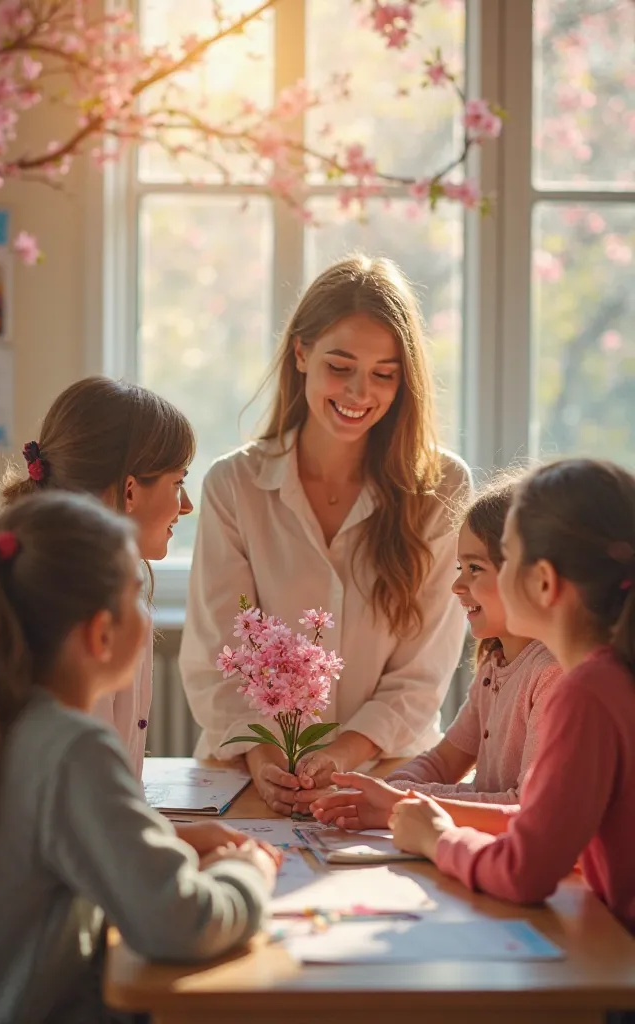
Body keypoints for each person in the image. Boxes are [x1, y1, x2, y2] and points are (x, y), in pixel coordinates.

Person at [0, 492, 278, 1024]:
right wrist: (249, 871)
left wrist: (164, 839)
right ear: (101, 633)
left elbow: (37, 846)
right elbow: (180, 924)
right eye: (135, 597)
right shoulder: (73, 747)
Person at [180, 254, 471, 814]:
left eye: (384, 374)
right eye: (340, 366)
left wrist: (340, 755)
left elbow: (423, 673)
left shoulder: (442, 489)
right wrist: (267, 759)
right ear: (301, 353)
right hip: (247, 776)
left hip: (387, 777)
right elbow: (217, 655)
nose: (360, 393)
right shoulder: (234, 486)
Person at [387, 459, 635, 937]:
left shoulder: (585, 691)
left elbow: (526, 869)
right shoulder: (603, 677)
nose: (464, 583)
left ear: (543, 582)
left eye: (506, 558)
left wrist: (437, 839)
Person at [310, 474, 562, 828]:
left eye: (475, 568)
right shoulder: (495, 665)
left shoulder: (552, 676)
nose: (458, 585)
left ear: (535, 576)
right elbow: (444, 761)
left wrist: (400, 804)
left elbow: (524, 808)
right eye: (461, 568)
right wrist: (383, 790)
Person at [0, 374, 195, 777]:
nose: (188, 505)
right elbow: (84, 805)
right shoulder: (83, 621)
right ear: (129, 491)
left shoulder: (96, 593)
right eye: (178, 483)